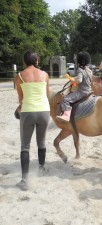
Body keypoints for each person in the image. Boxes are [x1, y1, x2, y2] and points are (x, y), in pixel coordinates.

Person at [15, 50, 50, 191]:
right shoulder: (45, 75)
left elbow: (21, 98)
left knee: (25, 146)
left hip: (28, 111)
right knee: (41, 142)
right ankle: (41, 168)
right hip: (44, 111)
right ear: (36, 61)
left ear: (24, 61)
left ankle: (24, 180)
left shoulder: (19, 76)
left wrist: (19, 109)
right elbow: (46, 94)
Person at [57, 51, 93, 122]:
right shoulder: (89, 70)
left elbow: (79, 80)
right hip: (89, 91)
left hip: (82, 92)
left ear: (80, 61)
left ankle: (66, 116)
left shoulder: (80, 70)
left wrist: (73, 81)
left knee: (65, 100)